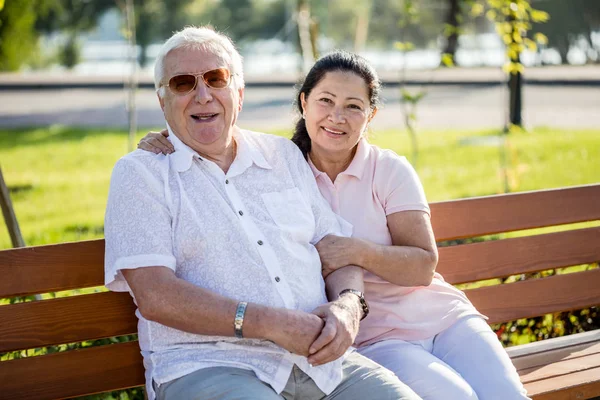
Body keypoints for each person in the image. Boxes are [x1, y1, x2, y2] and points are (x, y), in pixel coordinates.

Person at [140, 50, 530, 400]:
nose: (337, 117)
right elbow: (217, 135)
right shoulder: (280, 164)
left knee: (507, 396)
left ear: (370, 115)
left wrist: (354, 250)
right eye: (325, 101)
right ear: (304, 103)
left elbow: (424, 265)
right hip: (374, 336)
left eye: (353, 106)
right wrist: (169, 137)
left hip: (438, 316)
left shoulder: (387, 168)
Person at [104, 26, 420, 400]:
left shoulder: (283, 156)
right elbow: (156, 295)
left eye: (216, 79)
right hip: (209, 366)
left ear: (238, 92)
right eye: (183, 83)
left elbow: (335, 250)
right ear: (163, 101)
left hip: (321, 363)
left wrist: (350, 305)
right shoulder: (142, 173)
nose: (202, 95)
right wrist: (270, 324)